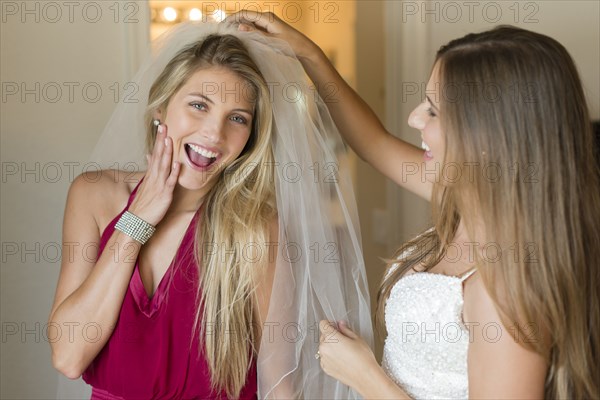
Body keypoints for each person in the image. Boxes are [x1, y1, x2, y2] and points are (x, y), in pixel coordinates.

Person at [226, 12, 600, 399]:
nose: (414, 117)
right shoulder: (465, 197)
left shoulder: (505, 286)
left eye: (434, 111)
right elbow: (373, 144)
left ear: (491, 133)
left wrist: (364, 375)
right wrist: (310, 56)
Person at [48, 21, 372, 399]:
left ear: (249, 138)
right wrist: (137, 220)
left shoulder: (255, 226)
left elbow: (279, 385)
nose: (214, 134)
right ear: (161, 107)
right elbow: (68, 355)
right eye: (199, 105)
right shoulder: (94, 195)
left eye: (237, 118)